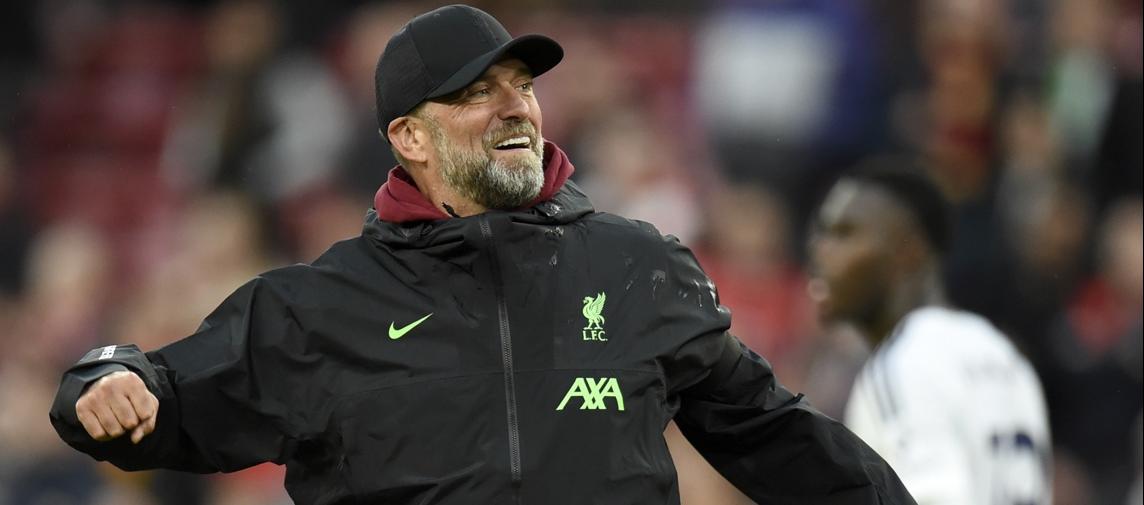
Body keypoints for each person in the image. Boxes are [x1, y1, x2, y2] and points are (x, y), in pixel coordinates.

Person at [49, 5, 916, 504]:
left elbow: (776, 435)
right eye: (476, 94)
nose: (516, 108)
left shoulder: (637, 266)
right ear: (409, 138)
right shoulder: (317, 307)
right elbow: (150, 390)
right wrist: (107, 381)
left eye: (523, 86)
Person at [808, 163, 1053, 505]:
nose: (820, 250)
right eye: (822, 232)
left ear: (908, 250)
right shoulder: (1005, 356)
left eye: (844, 233)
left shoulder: (903, 362)